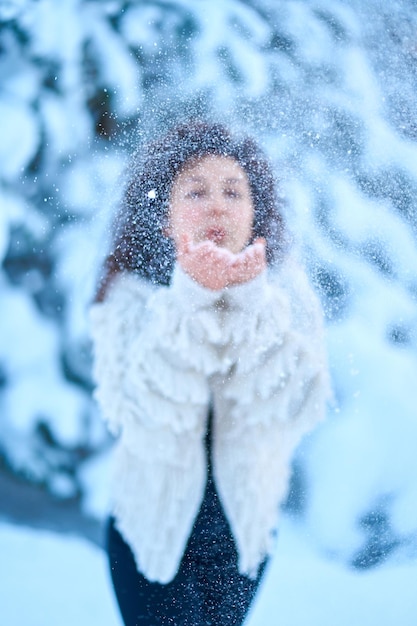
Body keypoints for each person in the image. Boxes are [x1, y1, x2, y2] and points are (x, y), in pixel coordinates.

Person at [90, 121, 330, 626]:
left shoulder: (286, 293)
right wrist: (191, 299)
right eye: (195, 191)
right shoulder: (129, 294)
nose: (217, 205)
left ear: (255, 213)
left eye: (233, 192)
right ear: (164, 216)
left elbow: (294, 406)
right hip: (148, 532)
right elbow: (142, 412)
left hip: (245, 535)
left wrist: (248, 302)